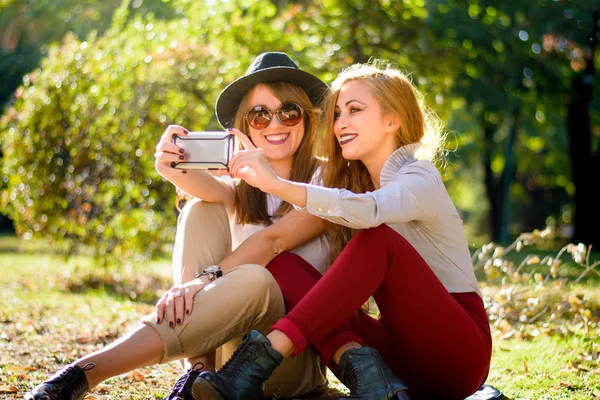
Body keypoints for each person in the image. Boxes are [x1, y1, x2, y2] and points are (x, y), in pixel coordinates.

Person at [25, 52, 335, 400]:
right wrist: (169, 167)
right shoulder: (241, 188)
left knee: (257, 277)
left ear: (308, 118)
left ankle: (84, 373)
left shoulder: (330, 183)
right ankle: (196, 372)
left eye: (289, 111)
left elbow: (273, 241)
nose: (275, 124)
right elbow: (207, 191)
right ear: (244, 125)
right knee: (200, 209)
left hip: (286, 359)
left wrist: (203, 280)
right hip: (222, 352)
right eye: (260, 115)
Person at [189, 61, 493, 400]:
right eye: (336, 114)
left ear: (392, 120)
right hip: (402, 358)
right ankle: (373, 380)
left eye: (354, 110)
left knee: (378, 238)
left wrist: (276, 184)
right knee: (282, 265)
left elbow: (372, 211)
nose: (339, 124)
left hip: (459, 356)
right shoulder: (360, 187)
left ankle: (251, 365)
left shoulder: (419, 177)